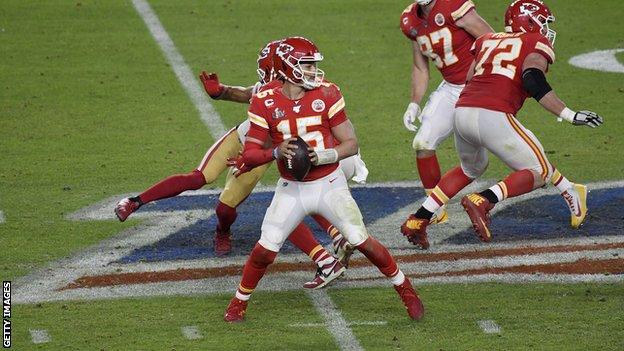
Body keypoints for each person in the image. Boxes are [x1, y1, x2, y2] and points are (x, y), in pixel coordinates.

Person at [114, 40, 352, 289]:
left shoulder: (303, 93)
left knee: (228, 208)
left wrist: (249, 160)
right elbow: (246, 92)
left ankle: (225, 230)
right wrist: (220, 91)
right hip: (244, 138)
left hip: (265, 152)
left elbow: (288, 136)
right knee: (198, 177)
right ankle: (134, 201)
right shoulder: (270, 89)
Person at [223, 36, 424, 323]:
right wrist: (275, 151)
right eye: (306, 64)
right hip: (292, 188)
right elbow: (252, 152)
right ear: (287, 67)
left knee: (360, 239)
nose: (313, 70)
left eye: (313, 64)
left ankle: (405, 289)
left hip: (330, 183)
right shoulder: (265, 100)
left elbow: (350, 144)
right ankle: (239, 302)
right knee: (265, 249)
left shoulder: (327, 93)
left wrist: (323, 156)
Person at [400, 0, 603, 249]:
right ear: (529, 22)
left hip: (462, 110)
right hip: (492, 113)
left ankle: (418, 219)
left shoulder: (486, 40)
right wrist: (569, 114)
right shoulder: (533, 42)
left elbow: (470, 77)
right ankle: (484, 199)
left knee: (471, 168)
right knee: (539, 172)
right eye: (542, 22)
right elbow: (532, 78)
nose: (546, 29)